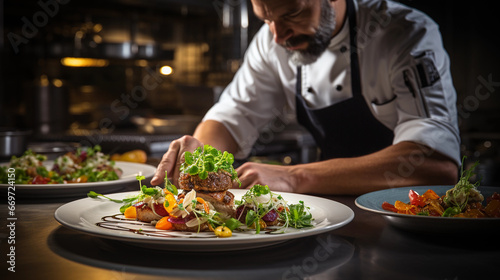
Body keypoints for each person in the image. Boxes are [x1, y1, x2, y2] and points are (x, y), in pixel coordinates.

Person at [151, 0, 460, 195]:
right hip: (330, 212)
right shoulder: (270, 44)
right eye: (267, 19)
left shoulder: (403, 33)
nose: (278, 35)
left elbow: (435, 163)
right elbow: (233, 117)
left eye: (293, 14)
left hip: (410, 212)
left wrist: (294, 178)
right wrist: (200, 157)